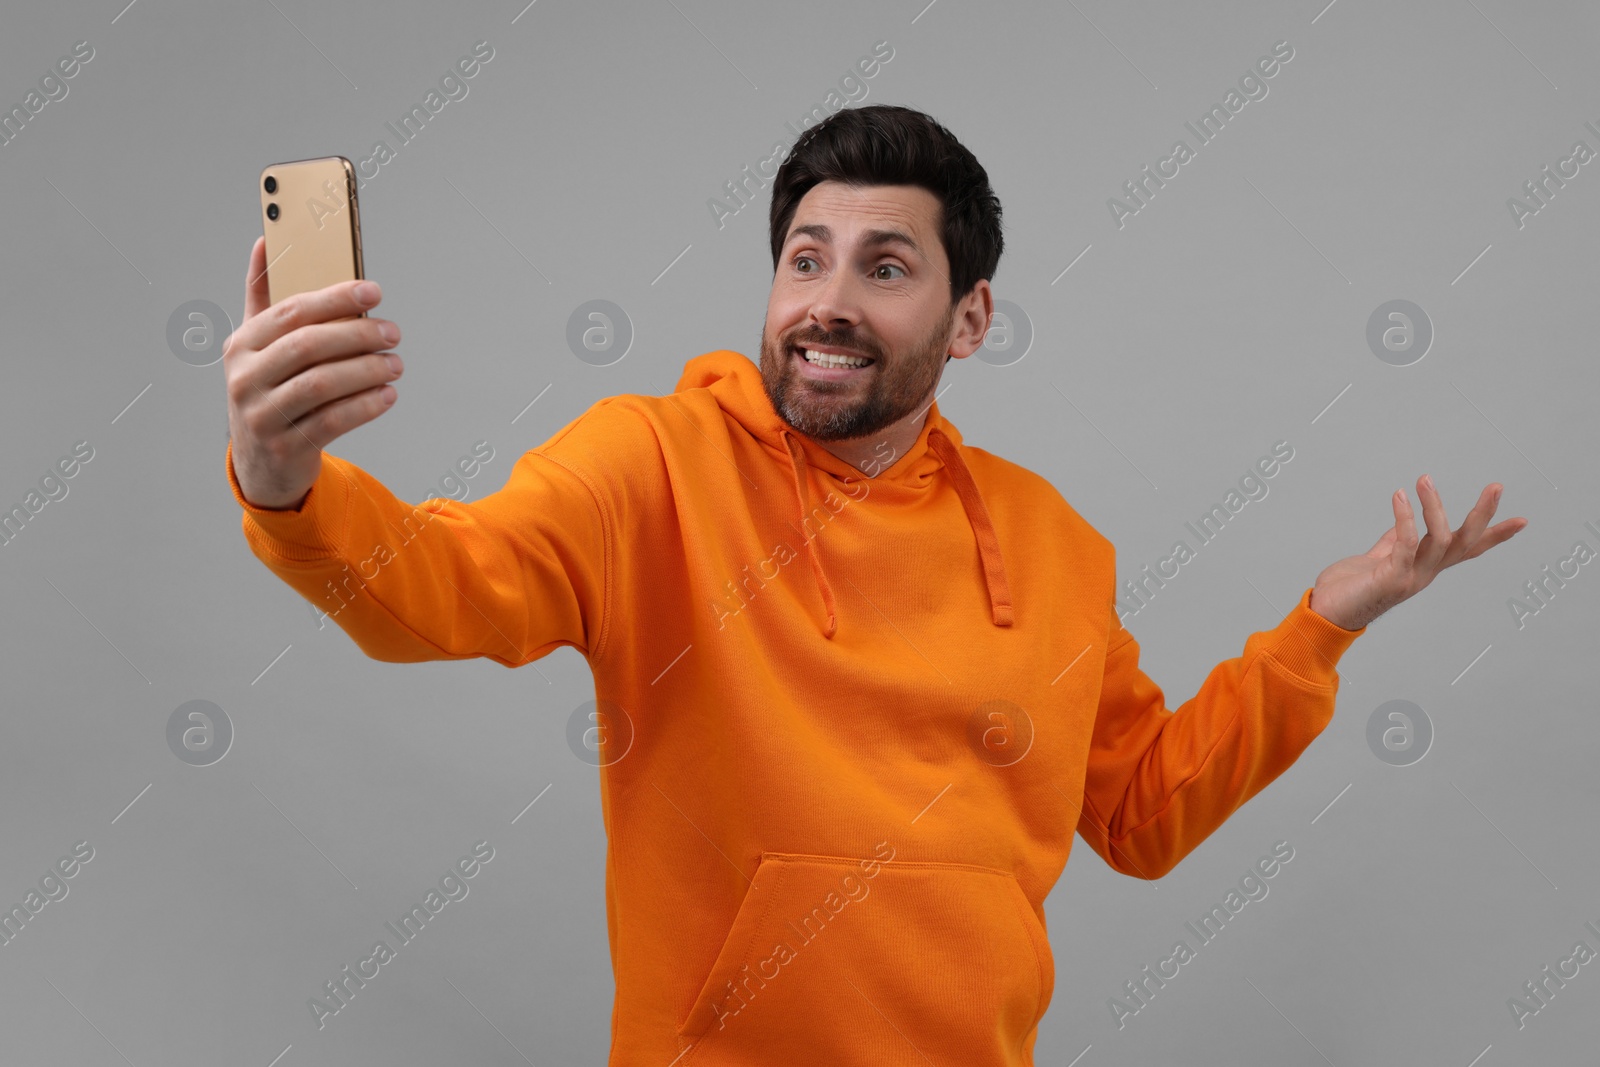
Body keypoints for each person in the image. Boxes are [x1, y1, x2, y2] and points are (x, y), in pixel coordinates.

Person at [221, 104, 1526, 1065]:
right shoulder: (656, 466)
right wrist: (286, 478)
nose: (826, 303)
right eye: (805, 257)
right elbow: (448, 588)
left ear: (970, 320)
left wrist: (1322, 629)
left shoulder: (1053, 543)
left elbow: (1141, 813)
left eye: (883, 267)